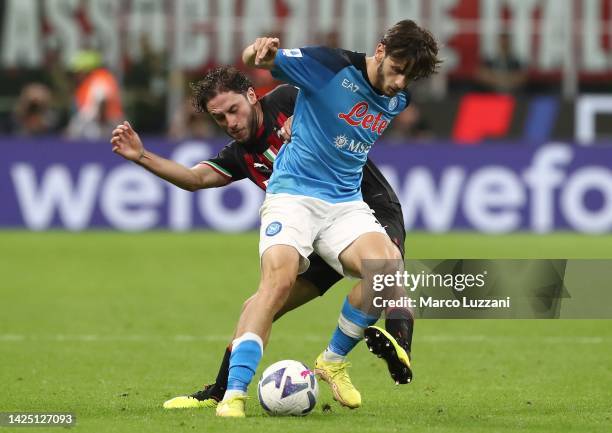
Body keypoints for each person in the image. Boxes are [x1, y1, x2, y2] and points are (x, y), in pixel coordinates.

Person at [110, 66, 414, 410]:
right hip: (309, 229)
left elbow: (337, 100)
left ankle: (384, 348)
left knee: (387, 272)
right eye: (219, 118)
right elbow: (195, 178)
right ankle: (222, 392)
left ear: (252, 96)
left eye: (233, 110)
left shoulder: (285, 99)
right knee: (261, 304)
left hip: (363, 205)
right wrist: (141, 156)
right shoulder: (241, 154)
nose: (230, 122)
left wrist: (303, 116)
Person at [214, 19, 440, 417]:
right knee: (278, 283)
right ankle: (233, 394)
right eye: (398, 70)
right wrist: (257, 53)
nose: (401, 83)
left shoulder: (397, 99)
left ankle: (332, 360)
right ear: (381, 50)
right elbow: (258, 60)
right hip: (293, 196)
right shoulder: (330, 66)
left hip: (344, 204)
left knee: (386, 271)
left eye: (411, 76)